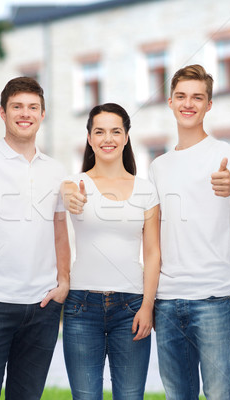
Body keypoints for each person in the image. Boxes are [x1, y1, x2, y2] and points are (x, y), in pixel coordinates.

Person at [0, 77, 70, 399]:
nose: (25, 113)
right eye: (17, 106)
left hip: (42, 305)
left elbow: (59, 230)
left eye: (33, 107)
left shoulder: (56, 170)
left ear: (42, 114)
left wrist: (64, 282)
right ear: (3, 113)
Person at [147, 64, 230, 399]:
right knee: (178, 395)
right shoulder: (158, 166)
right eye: (181, 96)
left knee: (221, 393)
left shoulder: (226, 154)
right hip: (167, 301)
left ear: (209, 105)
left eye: (197, 97)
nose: (188, 103)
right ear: (170, 101)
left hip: (215, 299)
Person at [61, 103, 160, 399]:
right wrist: (69, 197)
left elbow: (153, 252)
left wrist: (147, 306)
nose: (108, 138)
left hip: (131, 307)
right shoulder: (74, 184)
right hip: (81, 307)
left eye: (116, 131)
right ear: (89, 138)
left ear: (126, 137)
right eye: (99, 131)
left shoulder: (145, 190)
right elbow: (67, 194)